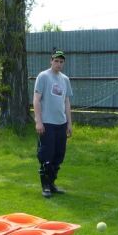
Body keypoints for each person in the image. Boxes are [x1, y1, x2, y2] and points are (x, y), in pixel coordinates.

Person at [33, 50, 73, 198]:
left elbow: (67, 102)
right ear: (51, 61)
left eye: (61, 62)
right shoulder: (43, 76)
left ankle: (52, 184)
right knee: (46, 155)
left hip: (61, 124)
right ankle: (45, 187)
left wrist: (69, 123)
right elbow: (36, 99)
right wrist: (38, 121)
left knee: (58, 156)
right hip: (47, 123)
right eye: (56, 61)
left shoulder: (65, 79)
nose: (59, 64)